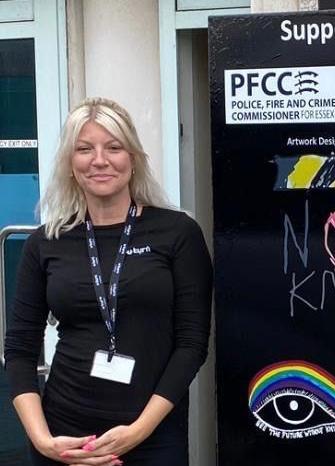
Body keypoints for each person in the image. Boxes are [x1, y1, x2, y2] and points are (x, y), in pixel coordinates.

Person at [4, 97, 213, 466]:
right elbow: (20, 350)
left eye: (113, 147)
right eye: (84, 149)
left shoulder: (177, 232)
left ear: (133, 159)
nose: (99, 160)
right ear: (71, 164)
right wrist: (43, 440)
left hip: (151, 438)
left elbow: (192, 345)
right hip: (64, 436)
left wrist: (138, 432)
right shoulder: (45, 242)